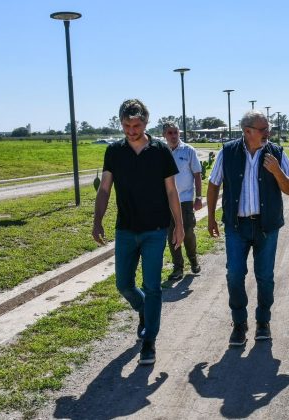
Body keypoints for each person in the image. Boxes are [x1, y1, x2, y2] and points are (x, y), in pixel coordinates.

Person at [92, 99, 184, 365]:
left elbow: (171, 190)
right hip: (126, 229)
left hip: (155, 229)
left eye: (137, 125)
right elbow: (105, 188)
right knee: (124, 284)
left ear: (146, 122)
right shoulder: (114, 151)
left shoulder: (160, 151)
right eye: (126, 125)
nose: (132, 130)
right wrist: (97, 219)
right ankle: (144, 310)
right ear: (120, 123)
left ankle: (149, 340)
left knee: (152, 286)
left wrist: (178, 225)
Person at [207, 110, 289, 346]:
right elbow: (214, 184)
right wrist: (211, 217)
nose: (268, 133)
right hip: (237, 226)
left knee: (265, 276)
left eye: (268, 128)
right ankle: (239, 323)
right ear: (247, 132)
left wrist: (277, 171)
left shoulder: (276, 152)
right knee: (235, 274)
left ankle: (263, 321)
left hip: (267, 226)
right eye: (263, 129)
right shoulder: (228, 152)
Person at [162, 121, 203, 281]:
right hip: (166, 202)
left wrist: (198, 197)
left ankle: (193, 260)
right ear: (165, 134)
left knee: (187, 232)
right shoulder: (161, 152)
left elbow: (197, 174)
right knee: (171, 234)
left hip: (185, 200)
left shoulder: (188, 151)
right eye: (170, 133)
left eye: (175, 132)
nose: (173, 136)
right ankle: (178, 268)